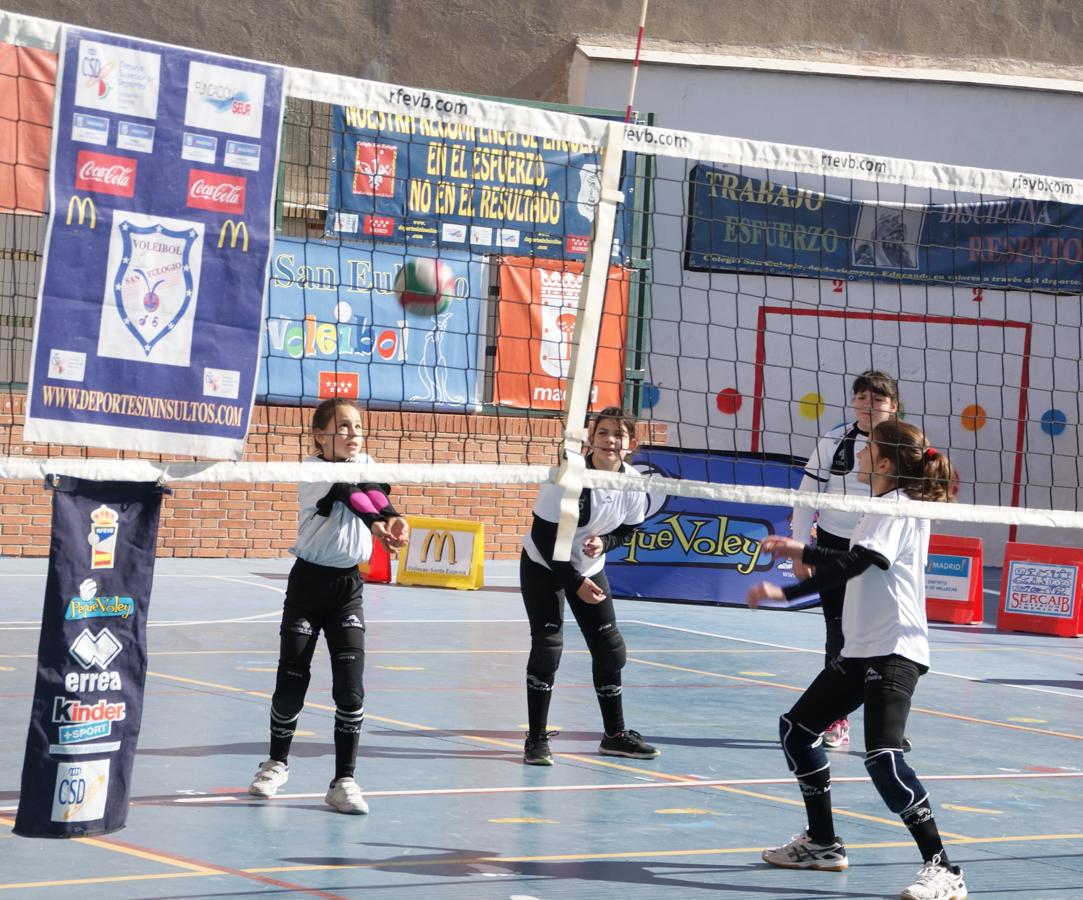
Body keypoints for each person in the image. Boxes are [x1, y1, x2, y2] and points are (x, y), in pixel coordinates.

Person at [747, 419, 967, 900]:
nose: (859, 455)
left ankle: (944, 869)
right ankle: (822, 844)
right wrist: (802, 549)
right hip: (863, 648)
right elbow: (856, 557)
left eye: (868, 450)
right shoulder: (882, 505)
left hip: (895, 649)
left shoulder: (898, 505)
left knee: (883, 758)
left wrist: (787, 593)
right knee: (798, 730)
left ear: (885, 462)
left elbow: (857, 563)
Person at [248, 398, 408, 814]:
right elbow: (347, 493)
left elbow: (373, 491)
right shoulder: (312, 469)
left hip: (347, 588)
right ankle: (276, 763)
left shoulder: (365, 462)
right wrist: (377, 524)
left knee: (350, 689)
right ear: (320, 436)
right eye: (343, 427)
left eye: (358, 427)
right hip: (308, 584)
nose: (354, 434)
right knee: (291, 681)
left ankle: (344, 781)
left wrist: (392, 517)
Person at [520, 406, 659, 766]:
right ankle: (536, 739)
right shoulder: (570, 476)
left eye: (618, 434)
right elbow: (543, 535)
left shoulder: (632, 481)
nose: (610, 440)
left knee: (610, 649)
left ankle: (614, 736)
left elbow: (628, 529)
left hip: (588, 567)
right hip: (544, 564)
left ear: (631, 444)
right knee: (548, 647)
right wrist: (575, 582)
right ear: (591, 439)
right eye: (603, 433)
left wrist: (605, 543)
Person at [790, 370, 899, 749]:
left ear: (893, 406)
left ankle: (887, 722)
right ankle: (834, 718)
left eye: (878, 399)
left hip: (879, 552)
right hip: (833, 546)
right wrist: (800, 546)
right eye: (862, 398)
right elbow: (807, 495)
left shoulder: (903, 444)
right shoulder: (834, 440)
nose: (869, 406)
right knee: (838, 635)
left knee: (882, 640)